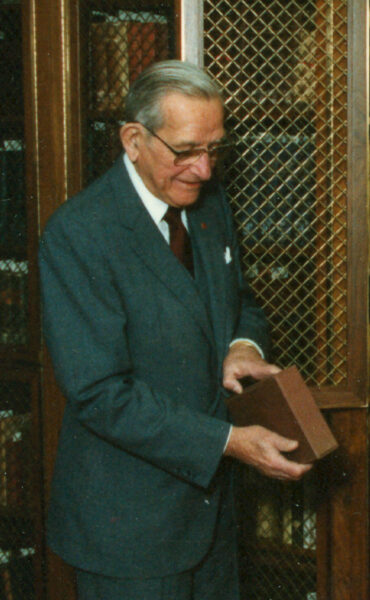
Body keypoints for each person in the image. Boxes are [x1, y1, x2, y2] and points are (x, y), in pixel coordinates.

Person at [39, 60, 310, 599]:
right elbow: (99, 393)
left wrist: (241, 345)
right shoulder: (79, 234)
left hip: (212, 525)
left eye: (215, 149)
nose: (205, 171)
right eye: (186, 151)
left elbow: (241, 304)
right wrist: (229, 442)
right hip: (129, 535)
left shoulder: (208, 209)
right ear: (133, 139)